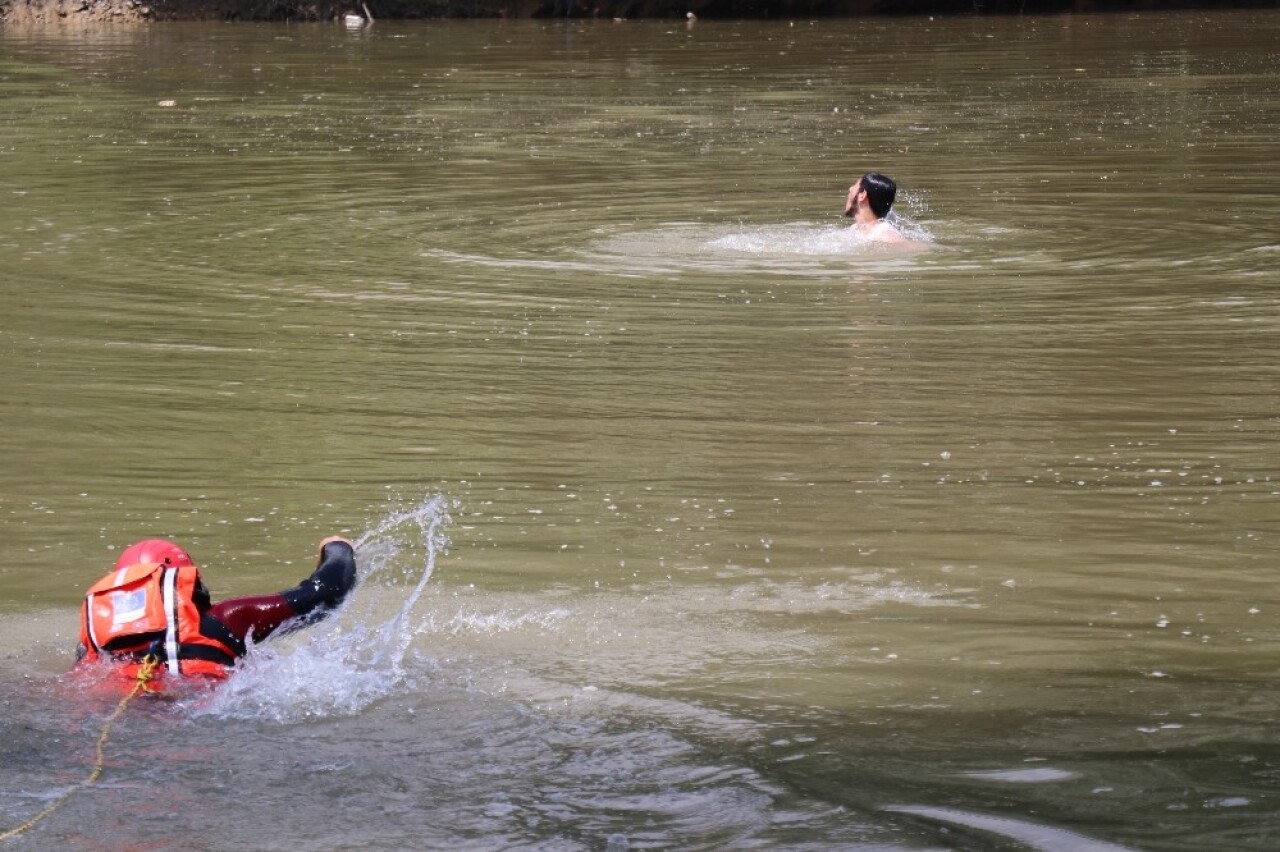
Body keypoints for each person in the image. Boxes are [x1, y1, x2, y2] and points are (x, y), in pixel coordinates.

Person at [75, 536, 357, 687]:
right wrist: (337, 547)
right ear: (187, 583)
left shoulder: (94, 646)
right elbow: (326, 593)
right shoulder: (224, 622)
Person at [843, 171, 908, 243]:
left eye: (855, 185)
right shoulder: (854, 229)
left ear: (862, 195)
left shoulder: (886, 235)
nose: (850, 188)